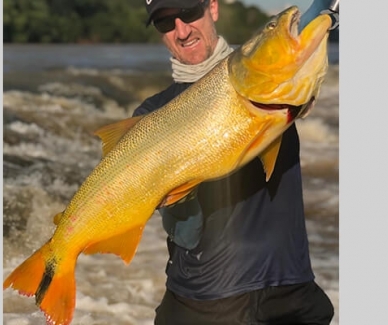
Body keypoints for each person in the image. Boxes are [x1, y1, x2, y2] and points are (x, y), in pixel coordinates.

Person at [133, 0, 337, 324]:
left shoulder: (263, 62)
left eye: (188, 13)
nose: (182, 31)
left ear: (212, 7)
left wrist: (328, 10)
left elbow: (306, 23)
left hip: (289, 294)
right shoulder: (149, 117)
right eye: (165, 22)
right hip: (203, 302)